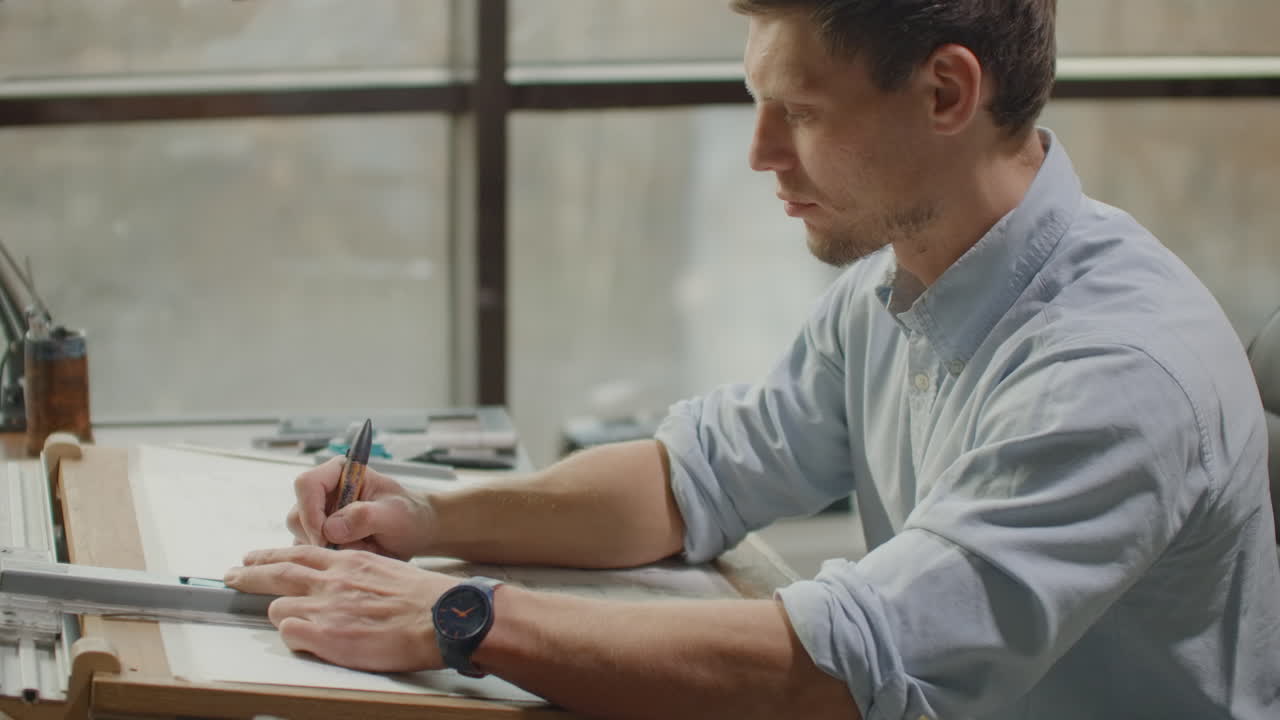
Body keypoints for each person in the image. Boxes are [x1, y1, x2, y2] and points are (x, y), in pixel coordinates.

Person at [223, 1, 1280, 718]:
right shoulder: (899, 284)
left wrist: (462, 616)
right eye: (758, 103)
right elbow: (694, 479)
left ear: (946, 94)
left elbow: (842, 666)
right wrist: (430, 522)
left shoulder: (1112, 370)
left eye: (802, 112)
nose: (760, 154)